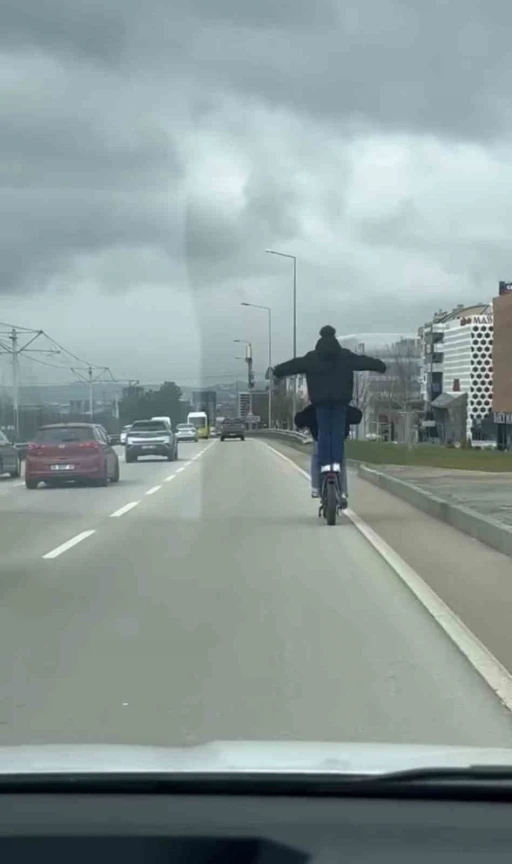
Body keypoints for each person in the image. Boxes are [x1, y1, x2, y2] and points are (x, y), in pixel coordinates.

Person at [272, 325, 386, 483]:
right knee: (338, 435)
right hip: (341, 400)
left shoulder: (312, 358)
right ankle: (337, 466)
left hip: (321, 401)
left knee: (324, 433)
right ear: (334, 337)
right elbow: (363, 361)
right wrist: (380, 366)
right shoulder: (345, 356)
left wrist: (278, 370)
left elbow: (294, 365)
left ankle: (326, 467)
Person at [295, 402, 362, 499]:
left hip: (320, 441)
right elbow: (357, 416)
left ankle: (315, 488)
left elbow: (299, 421)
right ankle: (343, 492)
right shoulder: (341, 407)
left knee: (316, 460)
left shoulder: (314, 408)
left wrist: (301, 418)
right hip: (339, 442)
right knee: (341, 463)